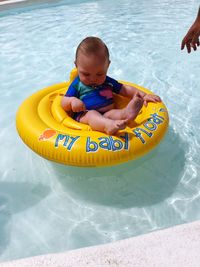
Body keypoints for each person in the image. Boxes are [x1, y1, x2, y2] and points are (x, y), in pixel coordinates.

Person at [61, 37, 161, 135]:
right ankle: (107, 126)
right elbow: (63, 102)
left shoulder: (108, 81)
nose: (93, 79)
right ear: (76, 65)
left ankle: (126, 114)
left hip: (107, 114)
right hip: (85, 115)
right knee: (92, 115)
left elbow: (124, 89)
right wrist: (72, 101)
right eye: (86, 74)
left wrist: (143, 96)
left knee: (115, 113)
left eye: (99, 74)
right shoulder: (77, 84)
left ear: (107, 65)